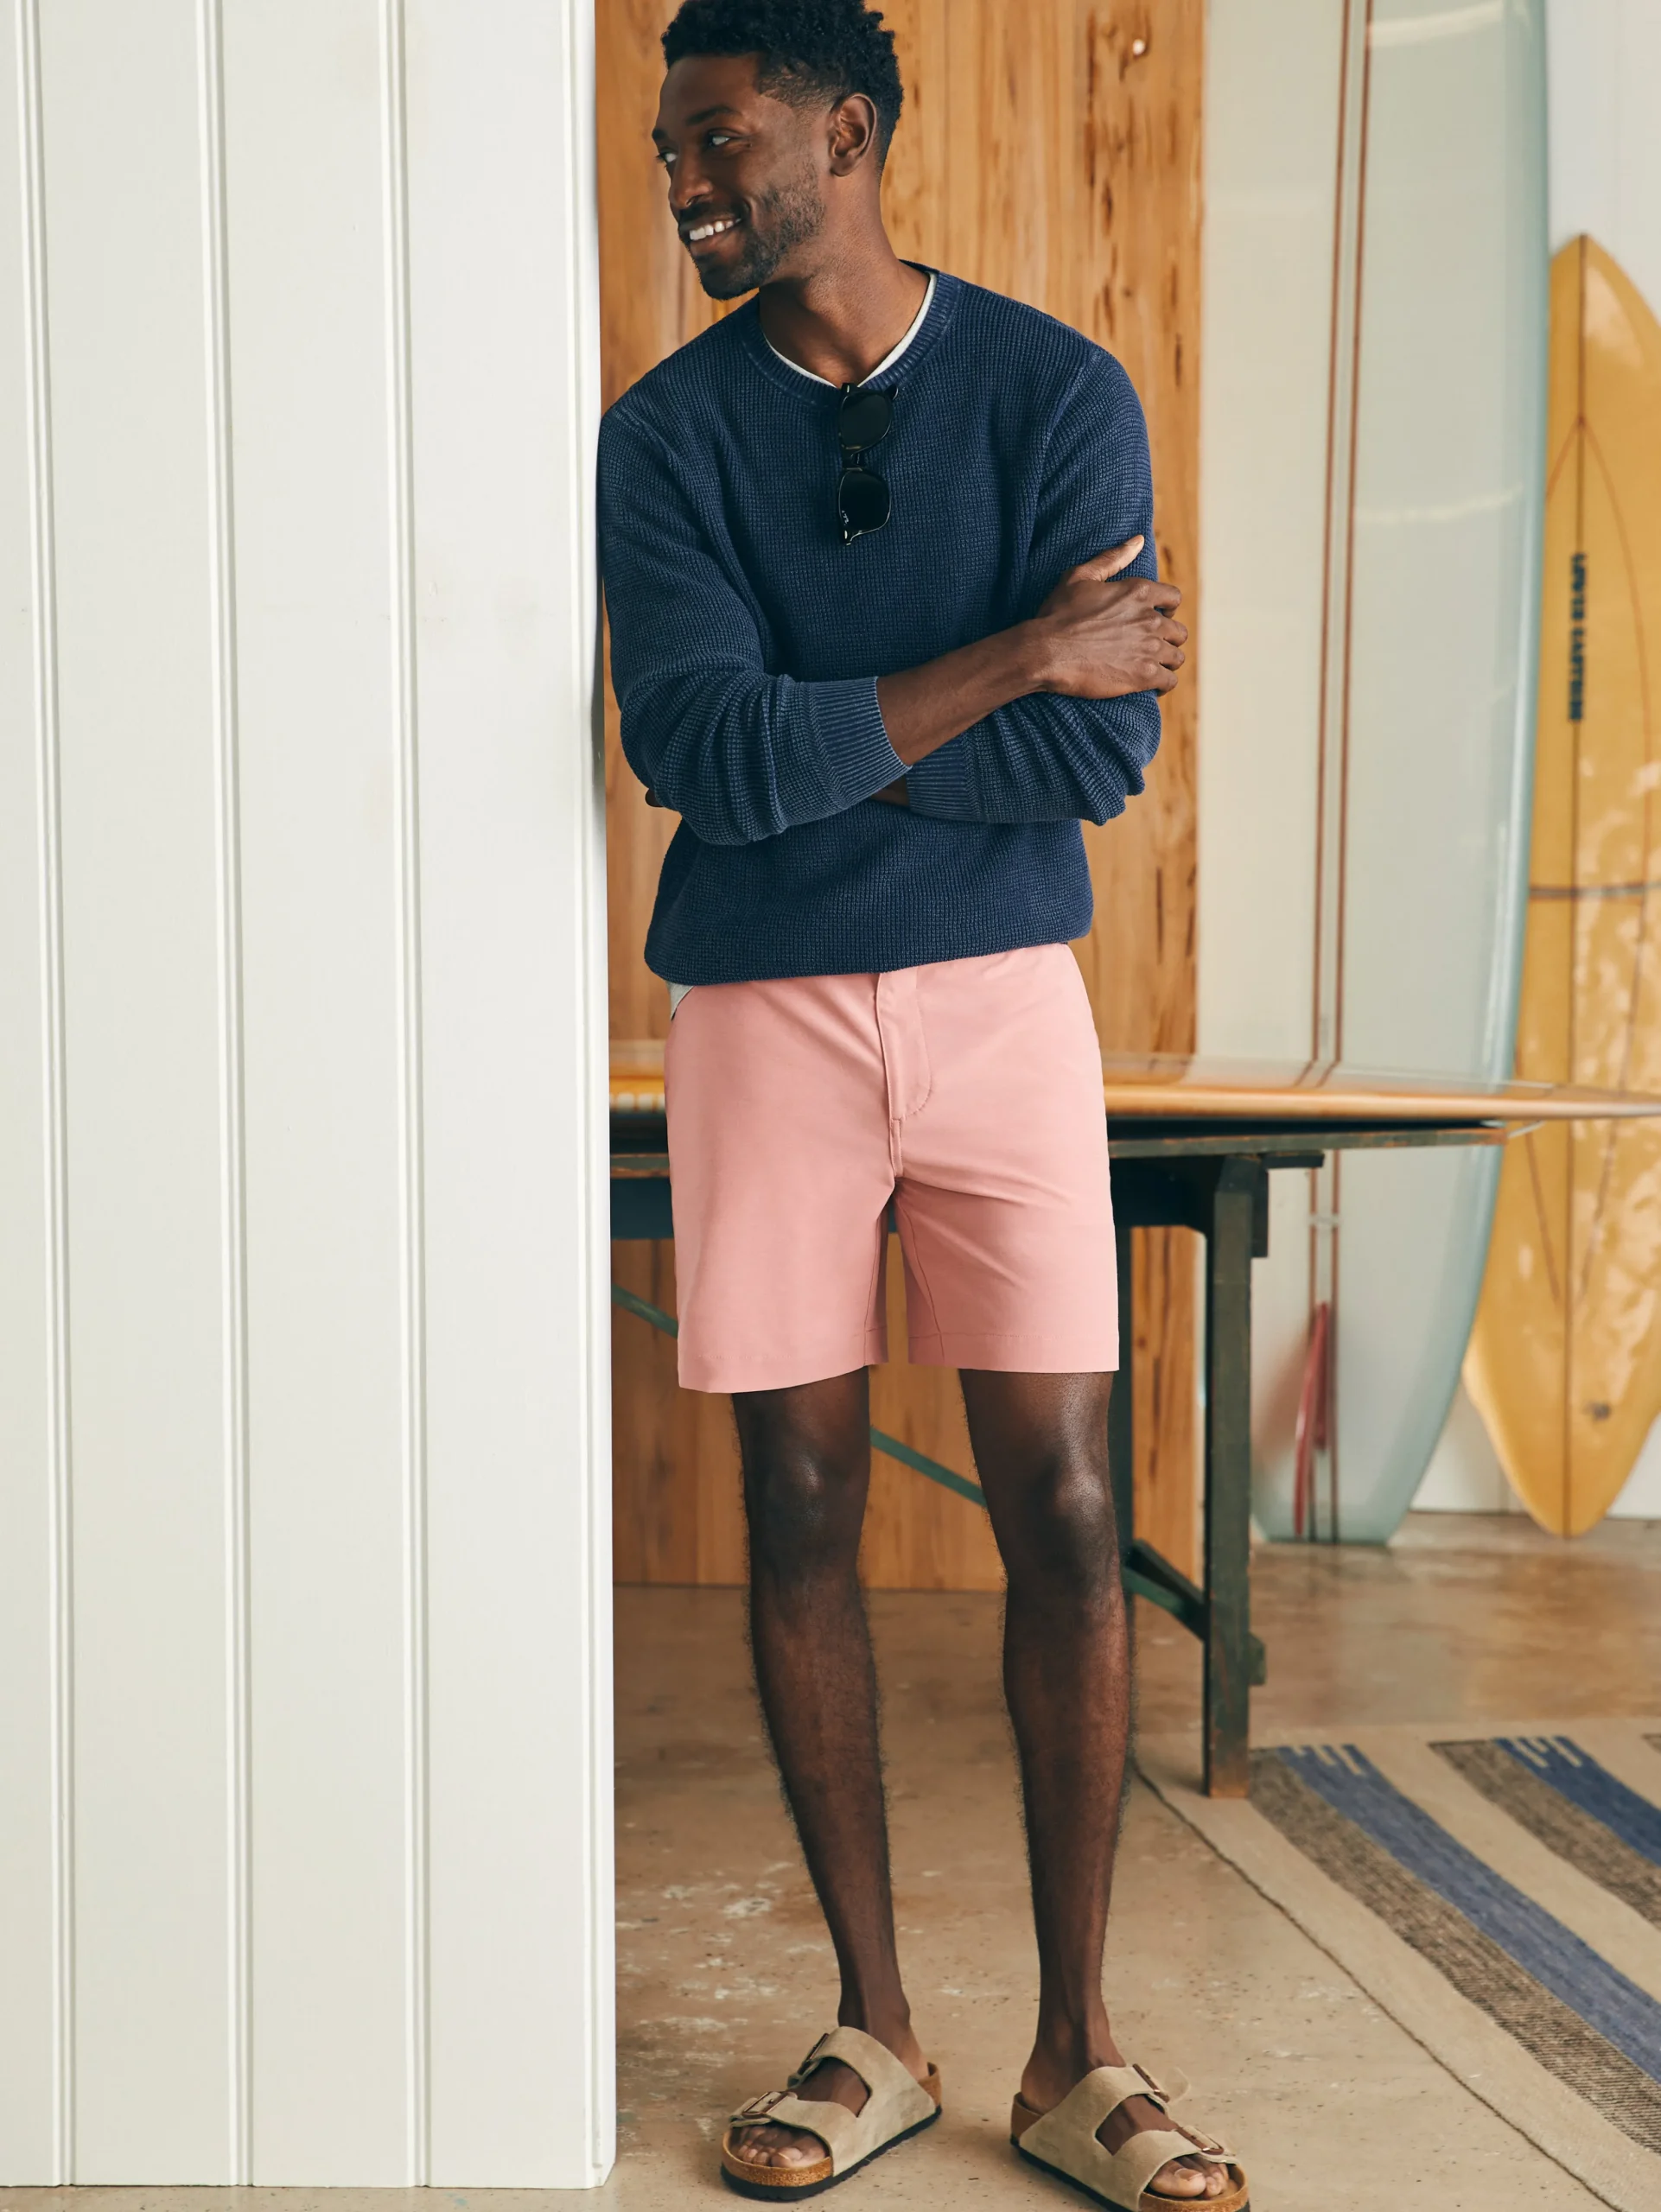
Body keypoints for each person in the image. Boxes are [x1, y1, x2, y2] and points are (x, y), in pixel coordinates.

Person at [597, 4, 1244, 2204]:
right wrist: (1020, 652)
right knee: (797, 1500)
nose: (685, 178)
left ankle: (1078, 2050)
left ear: (845, 131)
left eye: (720, 137)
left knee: (1061, 1498)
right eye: (670, 146)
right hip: (757, 1010)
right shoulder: (665, 438)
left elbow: (1098, 756)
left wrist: (849, 731)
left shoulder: (1057, 392)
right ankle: (873, 2027)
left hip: (1000, 1003)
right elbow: (698, 749)